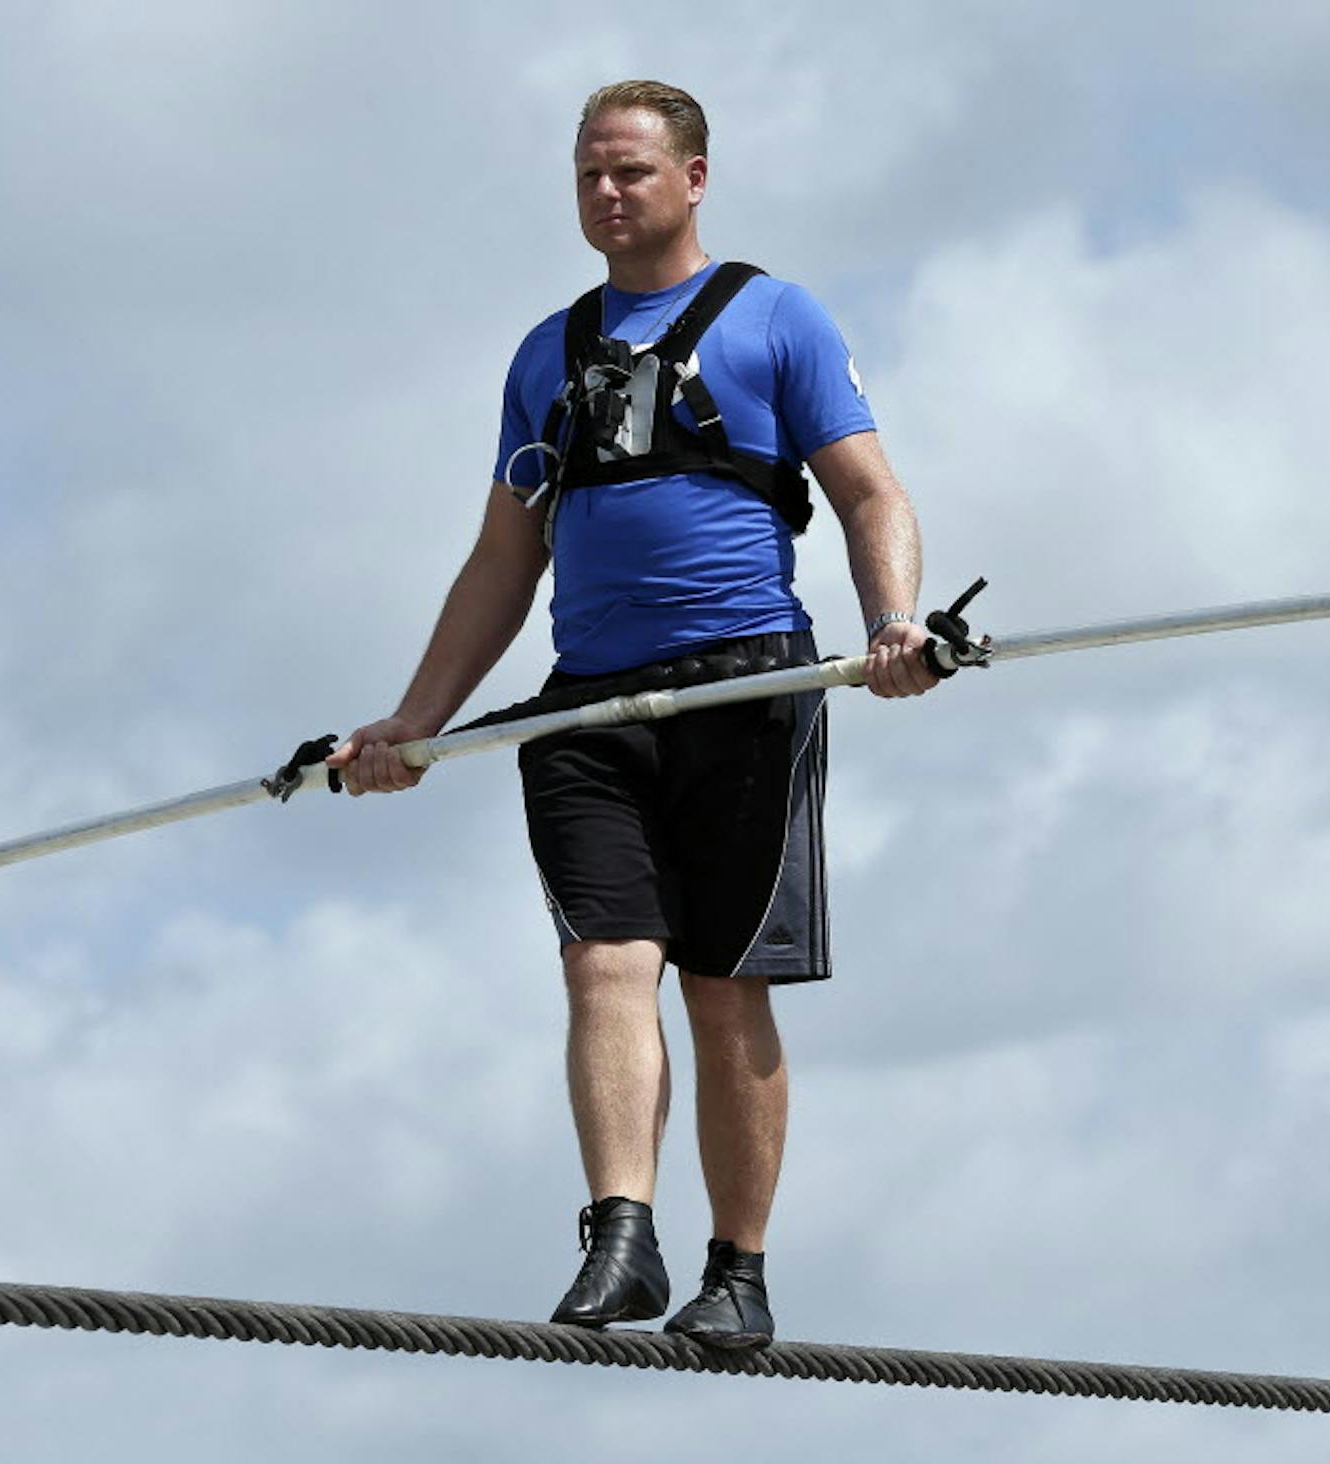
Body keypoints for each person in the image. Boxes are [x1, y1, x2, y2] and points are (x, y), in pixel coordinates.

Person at [326, 79, 939, 1351]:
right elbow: (504, 559)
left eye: (632, 173)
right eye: (589, 176)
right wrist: (414, 724)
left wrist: (894, 625)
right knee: (603, 961)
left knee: (722, 988)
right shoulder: (544, 356)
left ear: (694, 179)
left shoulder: (776, 318)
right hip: (588, 707)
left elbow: (872, 495)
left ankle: (739, 1271)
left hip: (745, 688)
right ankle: (621, 1232)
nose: (606, 195)